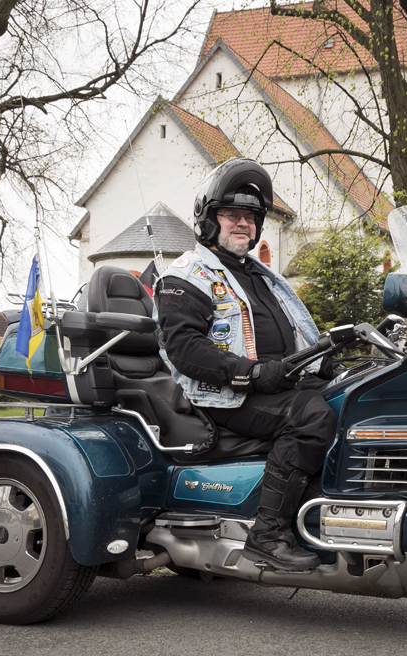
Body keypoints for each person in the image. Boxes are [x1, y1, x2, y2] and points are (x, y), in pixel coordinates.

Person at [156, 158, 337, 572]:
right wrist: (250, 373)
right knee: (310, 417)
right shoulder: (186, 275)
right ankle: (267, 536)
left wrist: (327, 364)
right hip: (223, 395)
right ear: (209, 220)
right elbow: (184, 348)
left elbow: (299, 336)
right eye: (232, 215)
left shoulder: (264, 277)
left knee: (352, 400)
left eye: (251, 218)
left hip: (275, 386)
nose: (243, 224)